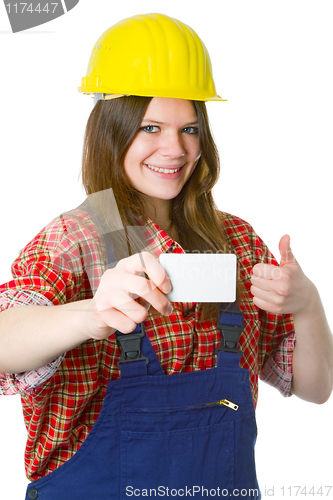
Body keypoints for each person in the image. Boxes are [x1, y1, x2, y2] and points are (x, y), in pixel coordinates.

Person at [0, 12, 332, 500]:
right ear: (111, 128)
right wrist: (91, 313)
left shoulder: (237, 241)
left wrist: (307, 305)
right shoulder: (77, 239)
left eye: (190, 128)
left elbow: (316, 387)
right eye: (150, 126)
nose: (175, 149)